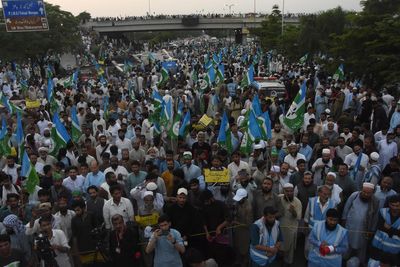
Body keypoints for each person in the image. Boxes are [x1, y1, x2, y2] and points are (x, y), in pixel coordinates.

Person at [342, 182, 379, 265]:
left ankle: (359, 262)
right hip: (350, 226)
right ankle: (344, 259)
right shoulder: (354, 195)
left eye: (368, 193)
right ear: (361, 190)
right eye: (364, 192)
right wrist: (343, 220)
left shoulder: (375, 201)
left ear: (372, 193)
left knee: (362, 247)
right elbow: (346, 208)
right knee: (347, 243)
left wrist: (372, 230)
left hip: (364, 229)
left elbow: (375, 217)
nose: (365, 194)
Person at [370, 194, 400, 267]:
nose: (395, 208)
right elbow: (380, 227)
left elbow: (385, 228)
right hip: (378, 247)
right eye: (393, 205)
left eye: (397, 206)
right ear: (389, 204)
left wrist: (389, 228)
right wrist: (395, 231)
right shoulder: (382, 211)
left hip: (394, 250)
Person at [279, 183, 302, 267]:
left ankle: (288, 262)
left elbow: (298, 217)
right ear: (283, 191)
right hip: (280, 227)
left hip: (291, 228)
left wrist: (293, 211)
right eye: (287, 191)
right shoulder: (279, 198)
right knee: (280, 245)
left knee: (289, 248)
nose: (289, 193)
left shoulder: (297, 202)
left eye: (291, 191)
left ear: (293, 192)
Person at [232, 188, 253, 267]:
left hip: (245, 231)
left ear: (244, 198)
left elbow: (248, 224)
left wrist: (235, 222)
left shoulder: (248, 208)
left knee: (244, 248)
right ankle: (238, 260)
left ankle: (245, 262)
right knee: (237, 246)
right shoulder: (238, 203)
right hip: (237, 229)